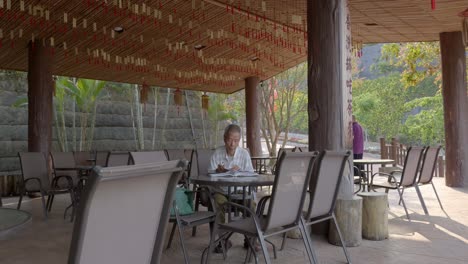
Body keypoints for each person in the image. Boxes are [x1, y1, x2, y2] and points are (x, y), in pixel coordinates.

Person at [208, 124, 254, 252]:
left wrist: (241, 172)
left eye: (236, 140)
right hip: (221, 191)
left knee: (251, 203)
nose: (232, 143)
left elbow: (251, 175)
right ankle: (223, 241)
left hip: (239, 192)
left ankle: (250, 239)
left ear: (239, 140)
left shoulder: (244, 154)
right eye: (230, 139)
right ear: (224, 138)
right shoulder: (217, 153)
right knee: (218, 202)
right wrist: (217, 171)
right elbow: (209, 175)